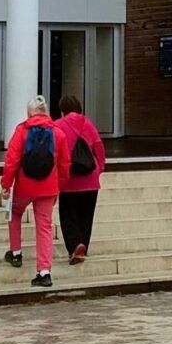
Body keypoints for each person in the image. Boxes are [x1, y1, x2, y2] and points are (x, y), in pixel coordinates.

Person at [0, 94, 63, 287]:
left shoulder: (21, 131)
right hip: (48, 187)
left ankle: (16, 253)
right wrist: (59, 187)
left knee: (15, 213)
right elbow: (64, 164)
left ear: (30, 113)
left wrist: (5, 185)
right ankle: (44, 272)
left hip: (24, 186)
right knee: (44, 227)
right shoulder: (58, 133)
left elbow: (11, 161)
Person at [53, 97, 107, 264]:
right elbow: (99, 147)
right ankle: (83, 245)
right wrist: (100, 168)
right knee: (86, 216)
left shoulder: (58, 125)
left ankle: (75, 245)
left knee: (68, 215)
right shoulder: (87, 123)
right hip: (90, 180)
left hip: (69, 180)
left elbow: (55, 152)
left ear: (62, 109)